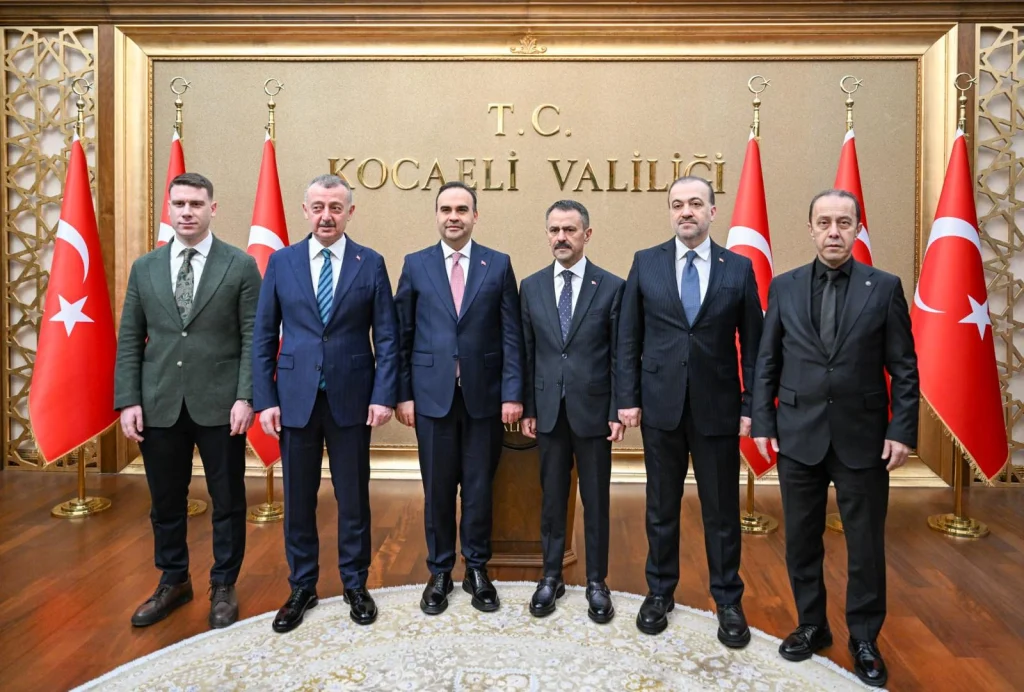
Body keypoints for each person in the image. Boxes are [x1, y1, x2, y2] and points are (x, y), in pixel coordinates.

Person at [752, 189, 918, 688]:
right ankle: (812, 624)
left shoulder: (883, 287)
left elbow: (904, 367)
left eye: (843, 223)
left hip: (863, 439)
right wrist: (763, 422)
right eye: (824, 222)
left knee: (865, 545)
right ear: (810, 229)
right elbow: (767, 362)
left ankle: (864, 637)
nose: (833, 232)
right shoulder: (784, 287)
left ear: (857, 229)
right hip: (797, 435)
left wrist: (902, 429)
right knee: (801, 540)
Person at [617, 176, 763, 647]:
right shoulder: (646, 262)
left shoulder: (738, 268)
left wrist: (752, 406)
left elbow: (755, 348)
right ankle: (660, 593)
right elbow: (628, 338)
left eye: (696, 203)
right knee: (661, 507)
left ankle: (728, 601)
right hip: (660, 407)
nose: (686, 211)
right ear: (670, 211)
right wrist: (627, 399)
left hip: (718, 410)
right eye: (677, 204)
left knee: (721, 511)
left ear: (712, 212)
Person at [252, 174, 398, 633]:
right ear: (305, 211)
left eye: (336, 207)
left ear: (350, 212)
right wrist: (265, 399)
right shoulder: (282, 262)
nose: (326, 216)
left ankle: (355, 583)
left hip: (352, 399)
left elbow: (387, 337)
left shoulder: (370, 263)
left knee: (353, 497)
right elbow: (262, 335)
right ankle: (302, 586)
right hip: (294, 400)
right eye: (318, 207)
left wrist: (383, 395)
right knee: (298, 499)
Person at [115, 172, 261, 630]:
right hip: (158, 403)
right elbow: (129, 339)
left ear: (212, 209)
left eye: (196, 204)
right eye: (179, 203)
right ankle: (174, 580)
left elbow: (253, 337)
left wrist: (246, 396)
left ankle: (224, 584)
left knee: (228, 499)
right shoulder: (145, 268)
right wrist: (128, 400)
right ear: (169, 209)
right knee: (165, 502)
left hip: (221, 405)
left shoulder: (240, 265)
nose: (187, 212)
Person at [394, 181, 524, 615]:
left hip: (485, 399)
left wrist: (512, 393)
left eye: (462, 209)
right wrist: (403, 395)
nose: (454, 216)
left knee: (479, 488)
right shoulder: (415, 264)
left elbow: (511, 335)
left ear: (475, 216)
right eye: (446, 209)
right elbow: (401, 335)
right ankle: (439, 571)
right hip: (431, 399)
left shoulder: (498, 264)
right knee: (437, 490)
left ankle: (477, 569)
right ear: (437, 215)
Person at [519, 200, 624, 623]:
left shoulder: (612, 286)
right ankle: (551, 576)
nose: (561, 237)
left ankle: (597, 581)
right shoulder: (531, 286)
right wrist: (528, 406)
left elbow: (620, 356)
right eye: (554, 230)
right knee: (552, 498)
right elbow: (527, 353)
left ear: (587, 234)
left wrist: (617, 410)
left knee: (595, 499)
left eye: (569, 230)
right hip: (547, 410)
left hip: (595, 411)